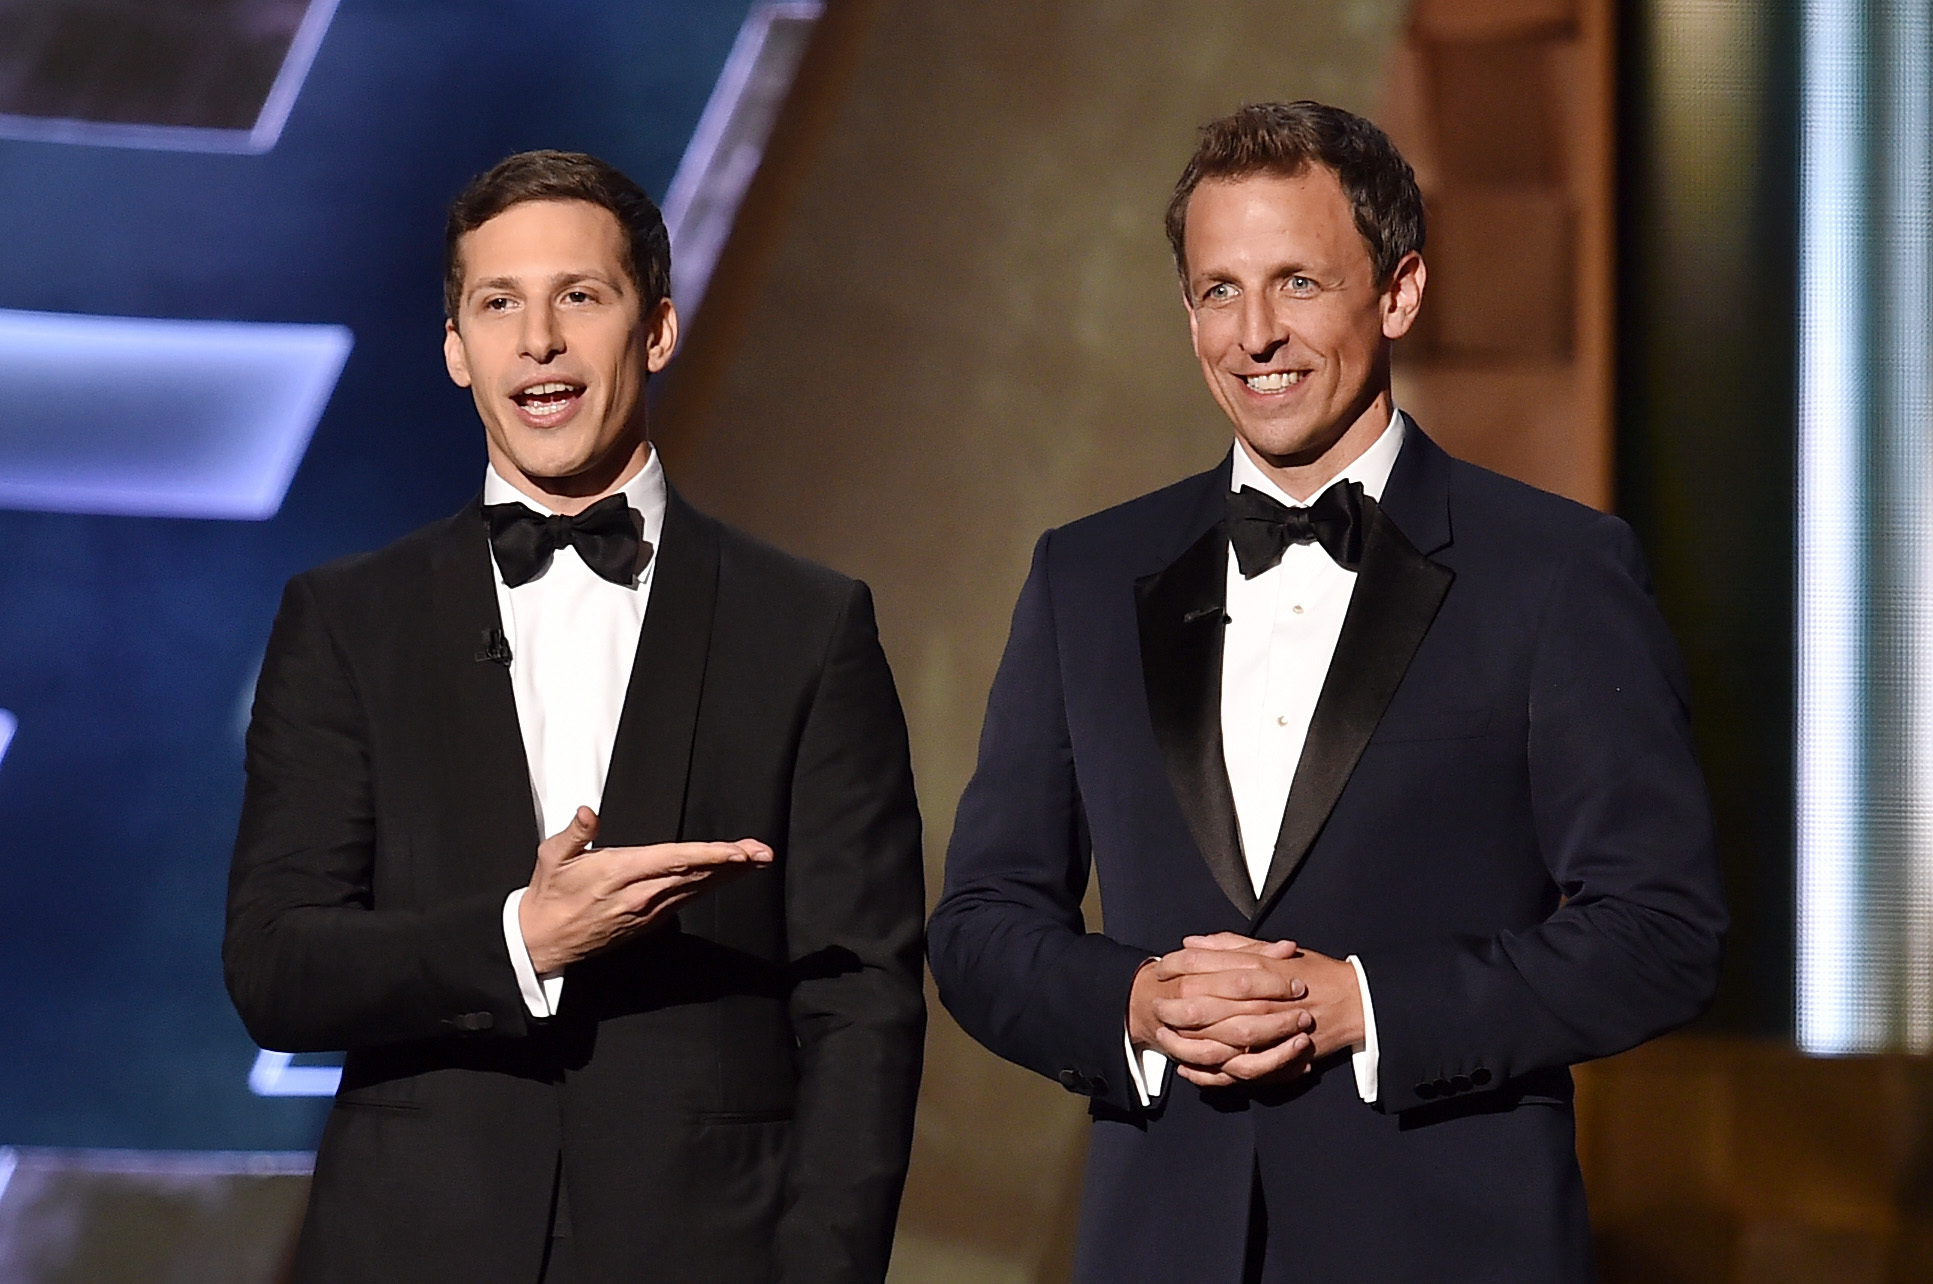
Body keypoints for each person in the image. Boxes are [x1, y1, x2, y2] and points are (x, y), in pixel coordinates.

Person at [927, 102, 1726, 1282]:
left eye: (1297, 283)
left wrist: (1365, 1005)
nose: (1253, 334)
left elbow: (1661, 933)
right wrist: (1138, 1004)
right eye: (1216, 291)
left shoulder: (1556, 571)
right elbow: (982, 928)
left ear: (1398, 292)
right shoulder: (1084, 576)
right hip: (1161, 1249)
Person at [224, 150, 926, 1284]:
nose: (537, 341)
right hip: (410, 1249)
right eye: (498, 304)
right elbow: (276, 966)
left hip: (709, 1252)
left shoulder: (809, 625)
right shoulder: (344, 621)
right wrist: (518, 941)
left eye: (578, 298)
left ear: (655, 330)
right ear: (456, 350)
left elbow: (862, 1002)